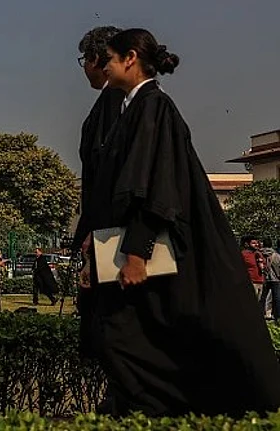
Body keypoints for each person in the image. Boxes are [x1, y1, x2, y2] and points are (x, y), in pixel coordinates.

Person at [79, 28, 280, 417]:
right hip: (127, 245)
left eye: (110, 58)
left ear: (130, 58)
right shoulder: (129, 108)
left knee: (134, 337)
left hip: (152, 249)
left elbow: (154, 185)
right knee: (126, 337)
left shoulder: (154, 107)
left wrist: (136, 250)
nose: (104, 67)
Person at [72, 25, 125, 361]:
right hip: (112, 228)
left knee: (110, 321)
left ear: (95, 59)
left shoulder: (115, 100)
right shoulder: (123, 100)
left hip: (111, 231)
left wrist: (93, 231)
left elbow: (108, 172)